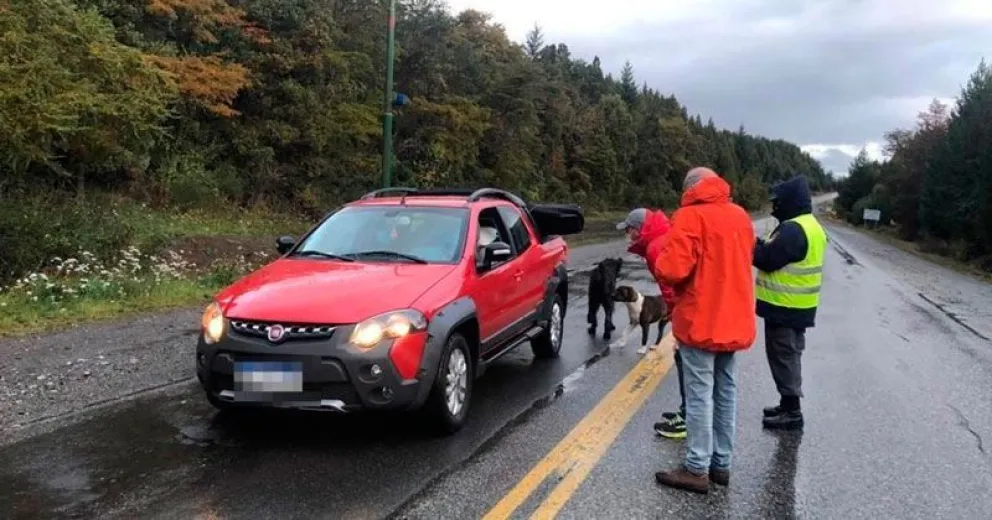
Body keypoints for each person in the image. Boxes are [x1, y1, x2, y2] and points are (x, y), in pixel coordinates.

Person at [653, 167, 757, 494]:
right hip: (734, 319)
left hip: (701, 319)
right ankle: (721, 464)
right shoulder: (741, 216)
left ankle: (696, 467)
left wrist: (661, 260)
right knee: (726, 391)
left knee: (700, 394)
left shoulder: (690, 217)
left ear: (689, 189)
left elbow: (672, 269)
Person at [753, 175, 827, 431]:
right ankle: (787, 404)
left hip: (785, 307)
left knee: (784, 357)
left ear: (790, 202)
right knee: (788, 355)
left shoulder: (794, 229)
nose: (774, 208)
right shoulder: (810, 225)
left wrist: (751, 244)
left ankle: (792, 412)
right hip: (796, 307)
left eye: (778, 202)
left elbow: (767, 259)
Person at [615, 208, 685, 439]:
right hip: (697, 307)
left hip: (689, 312)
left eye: (628, 230)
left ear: (637, 229)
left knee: (687, 362)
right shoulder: (663, 237)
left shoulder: (655, 247)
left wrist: (675, 317)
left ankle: (688, 419)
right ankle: (690, 415)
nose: (627, 234)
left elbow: (668, 286)